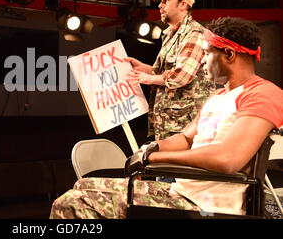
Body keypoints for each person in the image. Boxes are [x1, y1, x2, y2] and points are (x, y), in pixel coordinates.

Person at [50, 17, 283, 218]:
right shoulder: (219, 95)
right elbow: (186, 138)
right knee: (82, 185)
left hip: (207, 205)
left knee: (71, 203)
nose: (201, 60)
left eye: (206, 53)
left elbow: (228, 158)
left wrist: (154, 159)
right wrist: (151, 148)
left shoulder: (262, 94)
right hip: (183, 191)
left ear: (229, 54)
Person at [125, 0, 215, 141]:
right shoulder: (170, 35)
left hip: (185, 127)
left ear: (183, 4)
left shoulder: (194, 33)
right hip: (169, 124)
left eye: (166, 0)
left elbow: (181, 76)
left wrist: (149, 78)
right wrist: (145, 69)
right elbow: (164, 73)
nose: (160, 5)